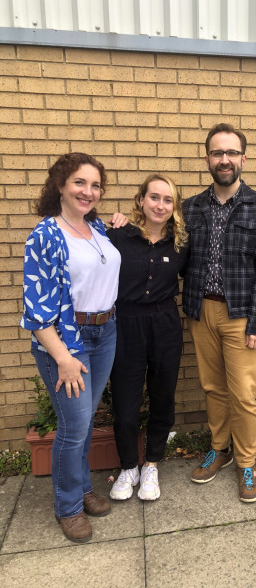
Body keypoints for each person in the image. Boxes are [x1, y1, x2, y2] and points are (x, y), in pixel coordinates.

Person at [21, 153, 124, 543]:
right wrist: (62, 357)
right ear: (61, 184)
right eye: (80, 182)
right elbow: (35, 310)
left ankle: (81, 489)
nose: (88, 191)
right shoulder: (46, 234)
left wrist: (121, 222)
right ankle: (67, 507)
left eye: (96, 185)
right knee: (74, 426)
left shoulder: (96, 228)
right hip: (66, 340)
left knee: (85, 420)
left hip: (106, 331)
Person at [182, 123, 256, 503]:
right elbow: (165, 242)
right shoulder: (190, 207)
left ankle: (246, 463)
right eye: (217, 153)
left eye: (231, 153)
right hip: (200, 309)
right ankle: (219, 449)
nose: (224, 160)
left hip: (241, 315)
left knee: (243, 394)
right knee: (212, 387)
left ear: (243, 158)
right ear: (207, 158)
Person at [107, 174, 188, 501]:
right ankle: (128, 467)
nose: (160, 205)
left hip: (166, 323)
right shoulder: (117, 236)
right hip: (126, 323)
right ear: (141, 200)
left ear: (174, 207)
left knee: (162, 396)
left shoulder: (182, 241)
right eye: (154, 197)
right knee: (125, 402)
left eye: (168, 200)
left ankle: (152, 463)